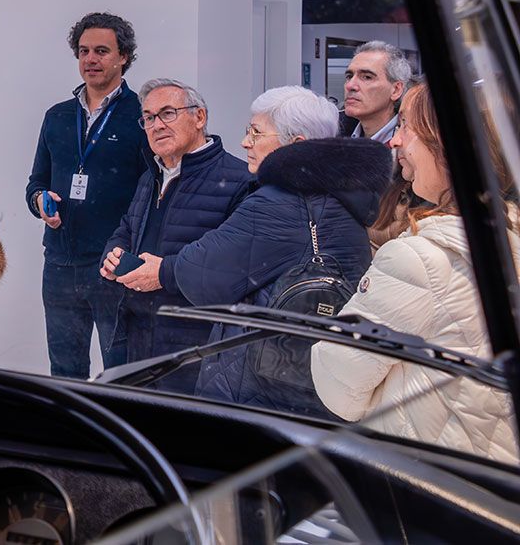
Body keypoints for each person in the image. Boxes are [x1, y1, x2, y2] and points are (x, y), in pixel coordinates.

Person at [104, 86, 390, 414]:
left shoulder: (279, 202)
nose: (245, 142)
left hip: (266, 380)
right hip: (308, 370)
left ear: (295, 143)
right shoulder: (336, 194)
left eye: (256, 132)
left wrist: (162, 270)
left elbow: (206, 269)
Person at [311, 84, 520, 462]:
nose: (395, 141)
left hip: (425, 475)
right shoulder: (508, 235)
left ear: (448, 146)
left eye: (407, 127)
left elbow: (337, 384)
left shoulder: (418, 259)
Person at [97, 78, 253, 392]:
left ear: (200, 117)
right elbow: (128, 227)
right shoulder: (150, 176)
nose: (157, 125)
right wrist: (113, 253)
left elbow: (233, 265)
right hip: (139, 336)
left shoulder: (240, 180)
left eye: (168, 113)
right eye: (148, 118)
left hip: (197, 345)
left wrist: (164, 274)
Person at [25, 12, 150, 379]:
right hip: (60, 264)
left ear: (123, 56)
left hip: (114, 265)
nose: (90, 59)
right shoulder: (58, 116)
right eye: (83, 51)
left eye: (101, 51)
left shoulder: (141, 117)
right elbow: (35, 182)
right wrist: (39, 201)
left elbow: (152, 193)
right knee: (65, 371)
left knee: (123, 373)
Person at [340, 41, 412, 143]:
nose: (350, 86)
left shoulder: (412, 144)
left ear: (396, 90)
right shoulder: (335, 134)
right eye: (349, 76)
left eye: (367, 77)